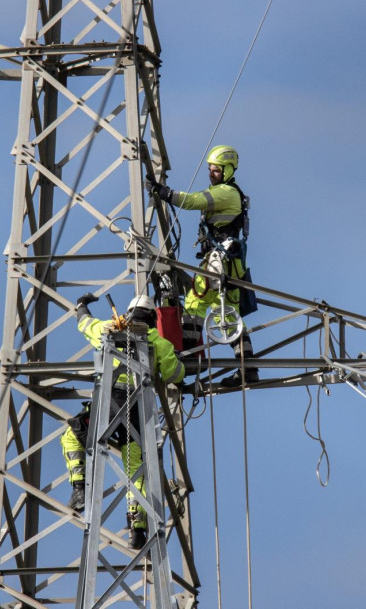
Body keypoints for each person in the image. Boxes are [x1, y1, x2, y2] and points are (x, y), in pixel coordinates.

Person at [61, 293, 185, 549]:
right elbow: (174, 374)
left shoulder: (108, 330)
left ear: (128, 313)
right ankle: (137, 530)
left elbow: (84, 323)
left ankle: (79, 489)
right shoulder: (158, 342)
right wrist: (179, 363)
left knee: (72, 436)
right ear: (151, 318)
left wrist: (82, 305)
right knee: (135, 467)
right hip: (138, 411)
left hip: (107, 406)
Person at [146, 145, 259, 387]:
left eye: (216, 170)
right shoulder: (226, 192)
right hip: (230, 264)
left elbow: (193, 201)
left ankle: (186, 361)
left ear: (228, 170)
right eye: (210, 169)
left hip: (219, 263)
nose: (211, 173)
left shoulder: (226, 193)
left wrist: (165, 193)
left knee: (196, 303)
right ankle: (247, 367)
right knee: (230, 316)